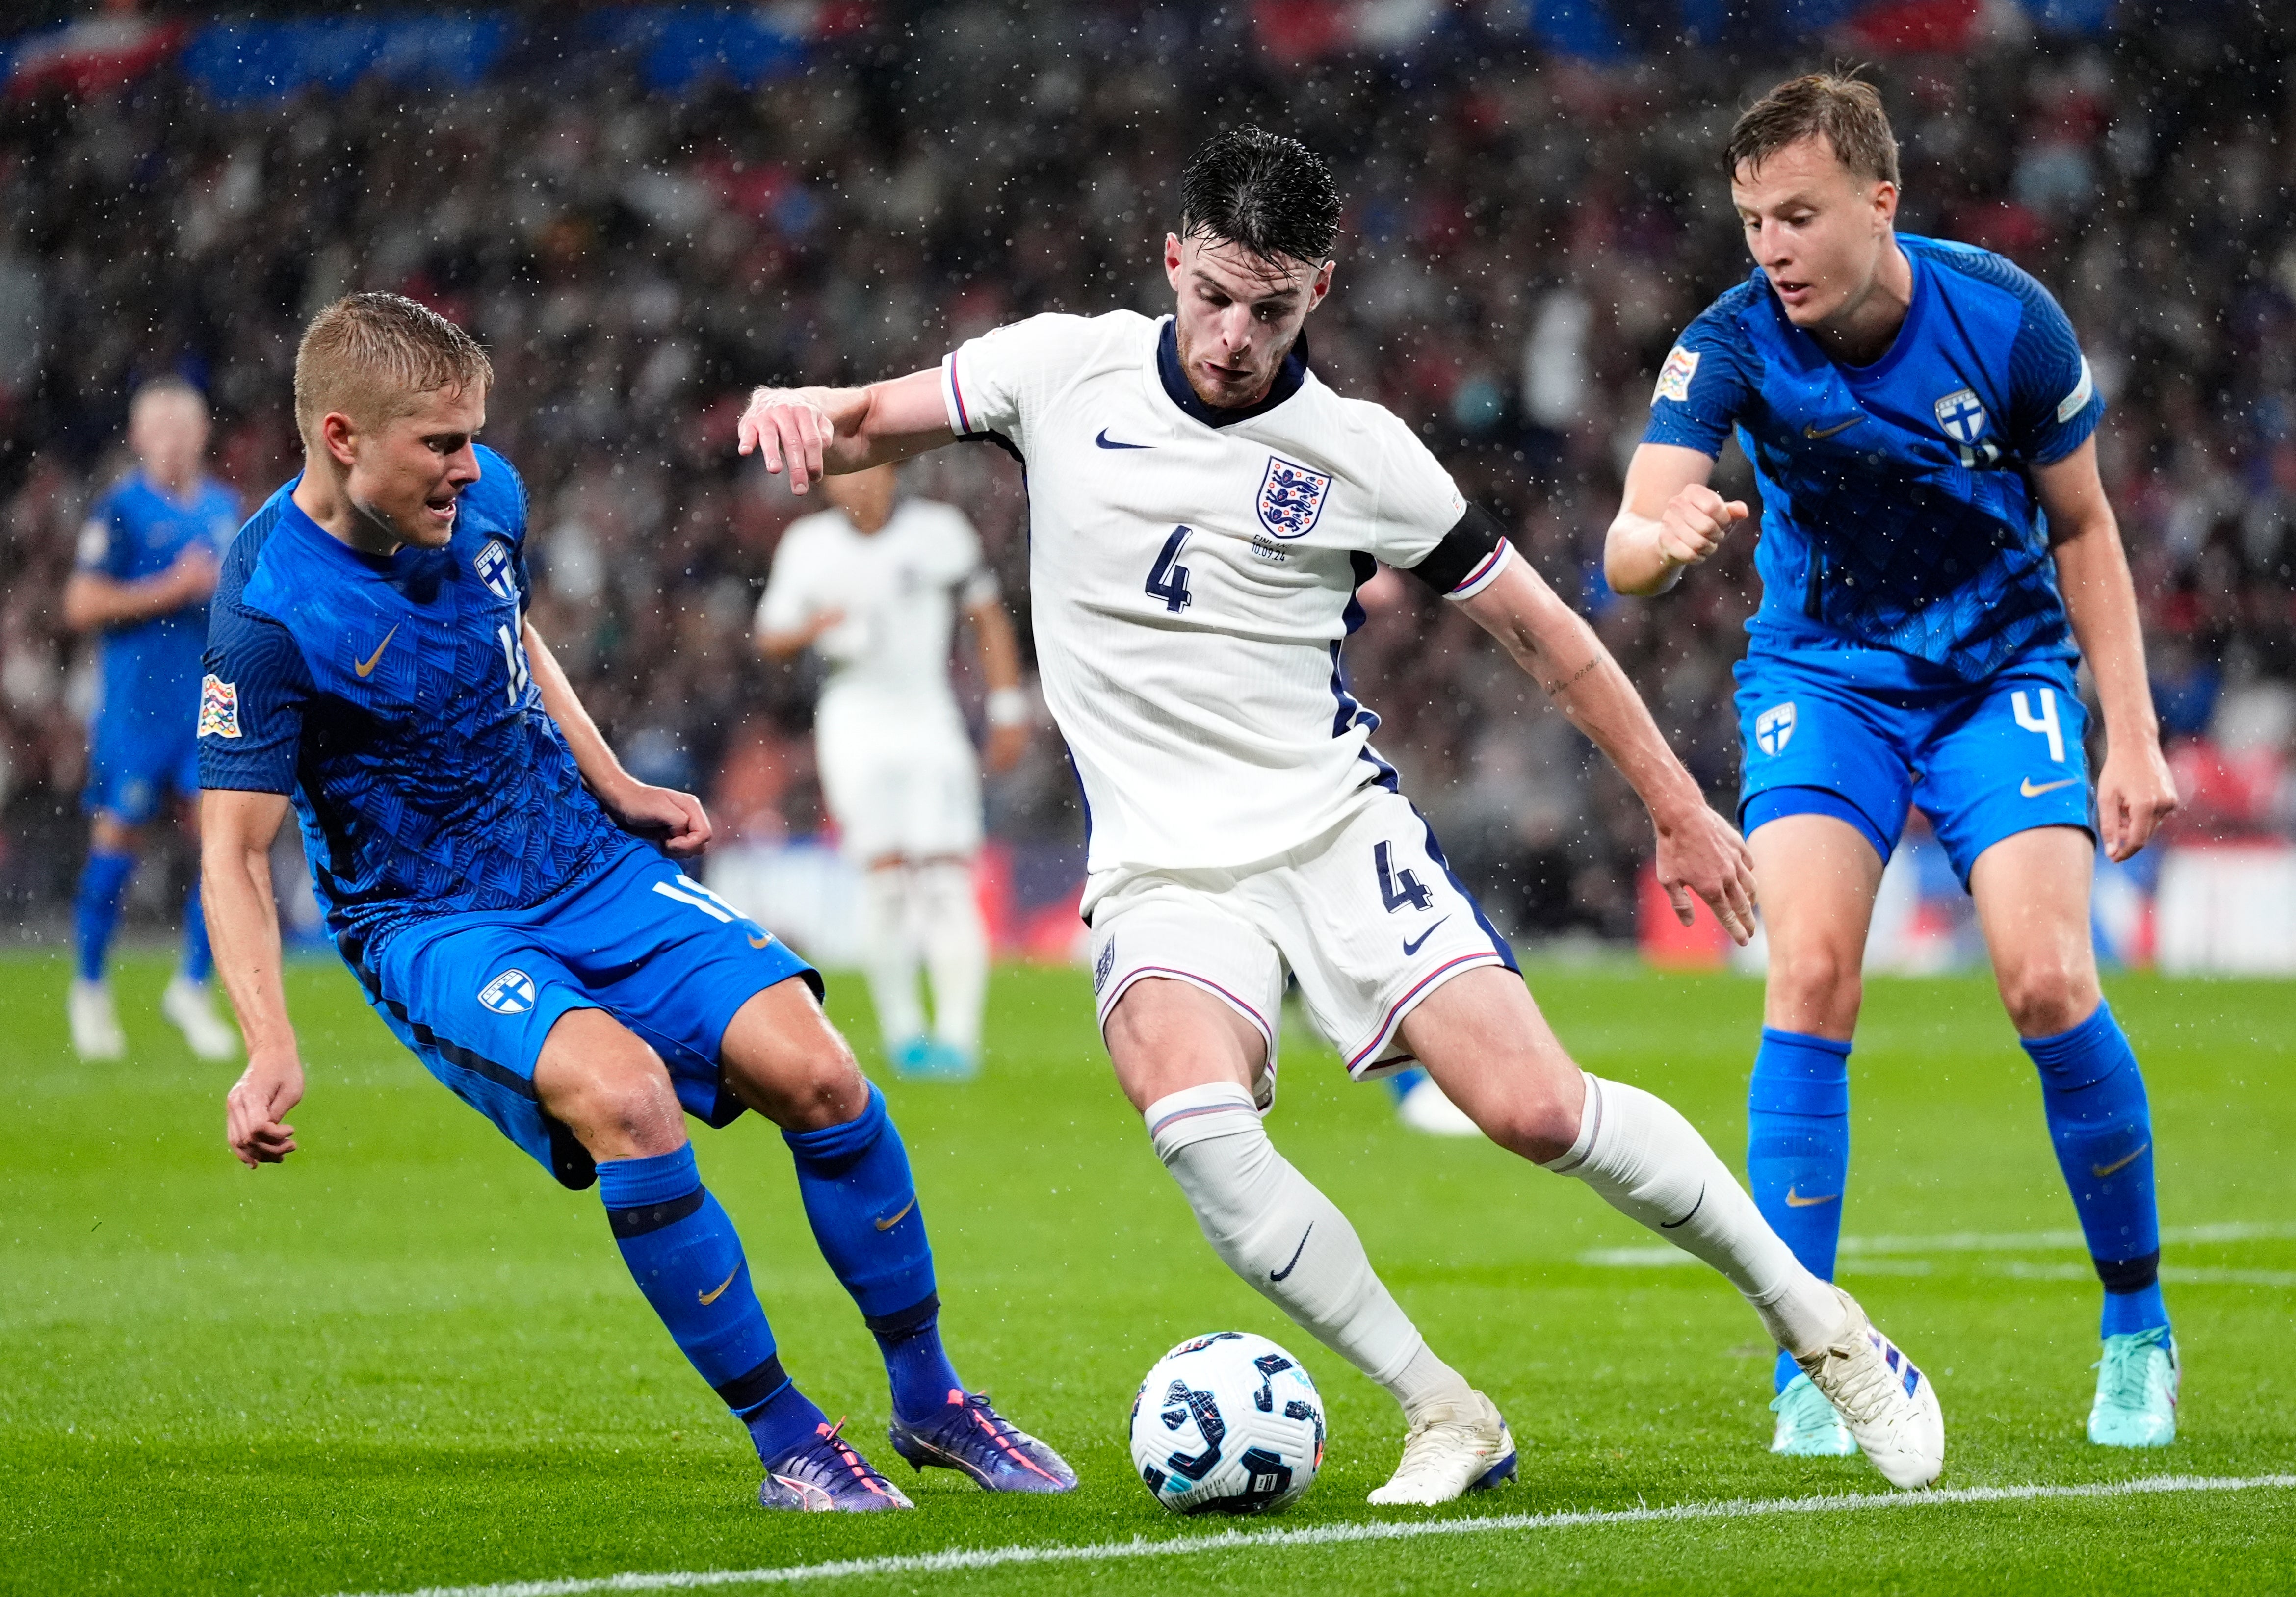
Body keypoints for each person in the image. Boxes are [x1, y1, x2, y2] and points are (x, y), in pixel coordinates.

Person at [737, 127, 1945, 1502]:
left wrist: (1675, 804)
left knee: (1540, 1113)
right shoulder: (1055, 369)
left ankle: (1829, 1332)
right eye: (1217, 297)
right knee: (1193, 1115)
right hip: (1162, 871)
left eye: (1274, 307)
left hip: (1333, 835)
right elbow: (865, 417)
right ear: (1174, 261)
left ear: (1324, 290)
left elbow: (1544, 634)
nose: (1237, 336)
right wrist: (801, 401)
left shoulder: (1361, 456)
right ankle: (1447, 1411)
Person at [201, 293, 1071, 1512]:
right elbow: (231, 854)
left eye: (473, 436)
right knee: (629, 1099)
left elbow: (512, 630)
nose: (471, 467)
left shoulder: (481, 499)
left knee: (820, 1075)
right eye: (439, 444)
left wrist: (613, 782)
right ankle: (789, 1441)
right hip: (432, 919)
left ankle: (929, 1398)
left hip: (586, 862)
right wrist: (268, 1042)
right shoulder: (266, 610)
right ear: (342, 436)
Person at [1605, 74, 2180, 1454]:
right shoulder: (1731, 343)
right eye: (1751, 222)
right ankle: (1815, 1361)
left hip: (2000, 679)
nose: (1771, 250)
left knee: (2047, 982)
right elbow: (1625, 543)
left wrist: (2137, 732)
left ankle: (2136, 1328)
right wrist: (1660, 544)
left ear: (1882, 200)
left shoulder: (2008, 321)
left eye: (1797, 216)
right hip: (1824, 681)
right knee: (1808, 975)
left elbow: (2087, 531)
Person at [755, 462, 1027, 1080]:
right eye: (847, 475)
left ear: (892, 473)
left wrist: (1008, 705)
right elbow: (770, 635)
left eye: (871, 471)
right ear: (828, 485)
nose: (860, 485)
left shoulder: (940, 531)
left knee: (944, 879)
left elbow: (987, 617)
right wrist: (814, 628)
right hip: (855, 721)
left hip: (930, 718)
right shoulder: (810, 546)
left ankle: (957, 1040)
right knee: (885, 879)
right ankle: (906, 1036)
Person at [63, 376, 242, 1062]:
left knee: (223, 848)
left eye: (183, 428)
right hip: (136, 713)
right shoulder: (120, 512)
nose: (171, 442)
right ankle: (90, 988)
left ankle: (193, 988)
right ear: (138, 439)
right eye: (158, 430)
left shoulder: (226, 509)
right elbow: (80, 604)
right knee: (117, 843)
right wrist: (167, 588)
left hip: (208, 707)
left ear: (203, 435)